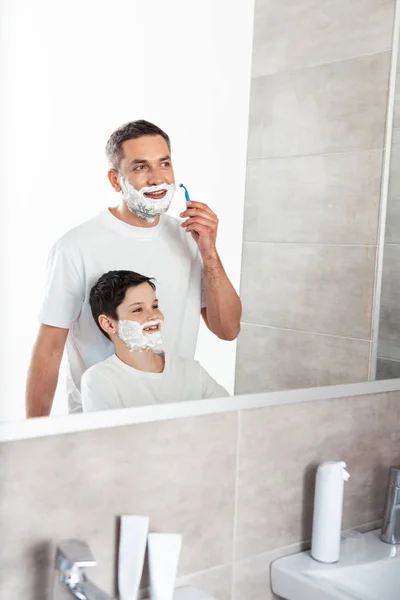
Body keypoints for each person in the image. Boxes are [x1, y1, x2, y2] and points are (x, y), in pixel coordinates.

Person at [26, 119, 241, 417]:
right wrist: (37, 436)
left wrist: (210, 253)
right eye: (140, 167)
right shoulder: (76, 246)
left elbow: (228, 330)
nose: (157, 179)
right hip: (102, 424)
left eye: (164, 164)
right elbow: (48, 351)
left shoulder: (191, 239)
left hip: (176, 421)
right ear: (116, 180)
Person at [81, 270, 229, 411]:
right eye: (138, 309)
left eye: (154, 306)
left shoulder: (191, 372)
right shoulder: (100, 380)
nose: (153, 316)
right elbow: (109, 437)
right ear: (108, 324)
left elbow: (232, 418)